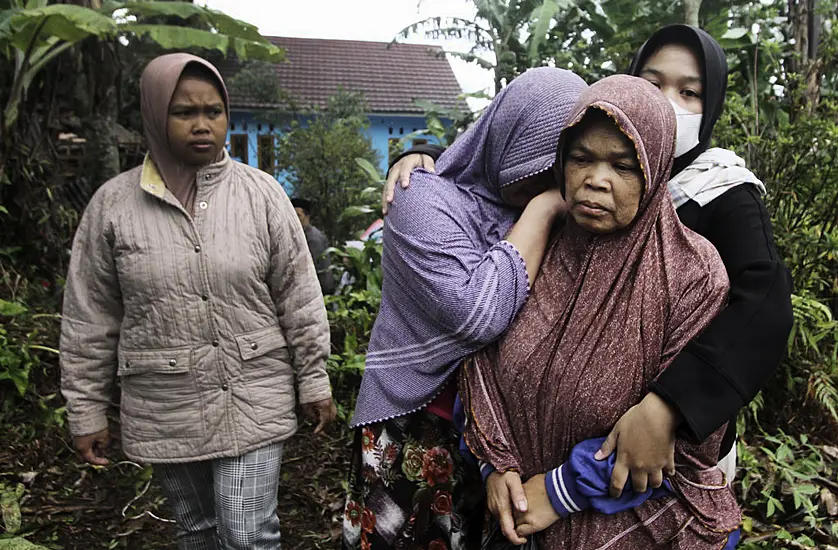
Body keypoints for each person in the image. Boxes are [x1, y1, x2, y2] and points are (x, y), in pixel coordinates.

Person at [385, 24, 793, 501]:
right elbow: (516, 151)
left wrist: (669, 406)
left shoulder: (721, 195)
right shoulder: (570, 202)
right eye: (653, 83)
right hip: (525, 468)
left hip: (643, 462)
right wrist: (430, 157)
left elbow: (761, 304)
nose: (665, 101)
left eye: (689, 92)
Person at [60, 53, 337, 550]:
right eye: (184, 112)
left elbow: (299, 294)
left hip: (253, 390)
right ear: (153, 114)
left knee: (247, 534)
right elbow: (90, 316)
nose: (202, 125)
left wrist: (313, 377)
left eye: (213, 111)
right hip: (165, 398)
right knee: (198, 532)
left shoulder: (263, 195)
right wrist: (87, 411)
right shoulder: (113, 207)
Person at [460, 74, 740, 549]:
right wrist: (495, 463)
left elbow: (687, 442)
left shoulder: (692, 275)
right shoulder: (537, 243)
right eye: (581, 158)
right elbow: (480, 356)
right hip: (516, 510)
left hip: (635, 522)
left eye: (623, 166)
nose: (595, 179)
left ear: (654, 172)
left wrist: (560, 490)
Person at [342, 67, 588, 550]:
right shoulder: (422, 198)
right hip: (418, 429)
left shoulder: (571, 218)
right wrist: (542, 211)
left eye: (562, 164)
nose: (552, 180)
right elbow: (477, 314)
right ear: (506, 135)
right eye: (539, 163)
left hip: (511, 445)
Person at [292, 197, 336, 295]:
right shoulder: (300, 235)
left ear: (307, 217)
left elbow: (316, 268)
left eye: (298, 215)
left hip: (319, 292)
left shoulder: (313, 238)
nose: (295, 219)